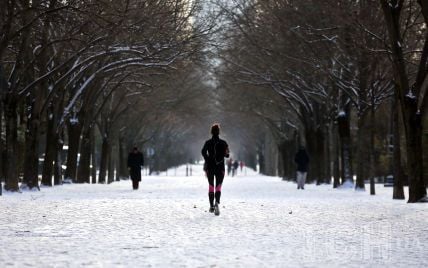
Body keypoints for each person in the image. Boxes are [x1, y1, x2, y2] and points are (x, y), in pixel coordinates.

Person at [201, 123, 229, 216]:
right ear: (219, 132)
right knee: (218, 186)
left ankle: (211, 206)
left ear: (211, 132)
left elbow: (203, 152)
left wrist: (207, 159)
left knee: (211, 186)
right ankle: (217, 202)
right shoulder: (224, 143)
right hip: (220, 167)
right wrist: (223, 155)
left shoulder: (207, 142)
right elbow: (227, 154)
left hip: (210, 167)